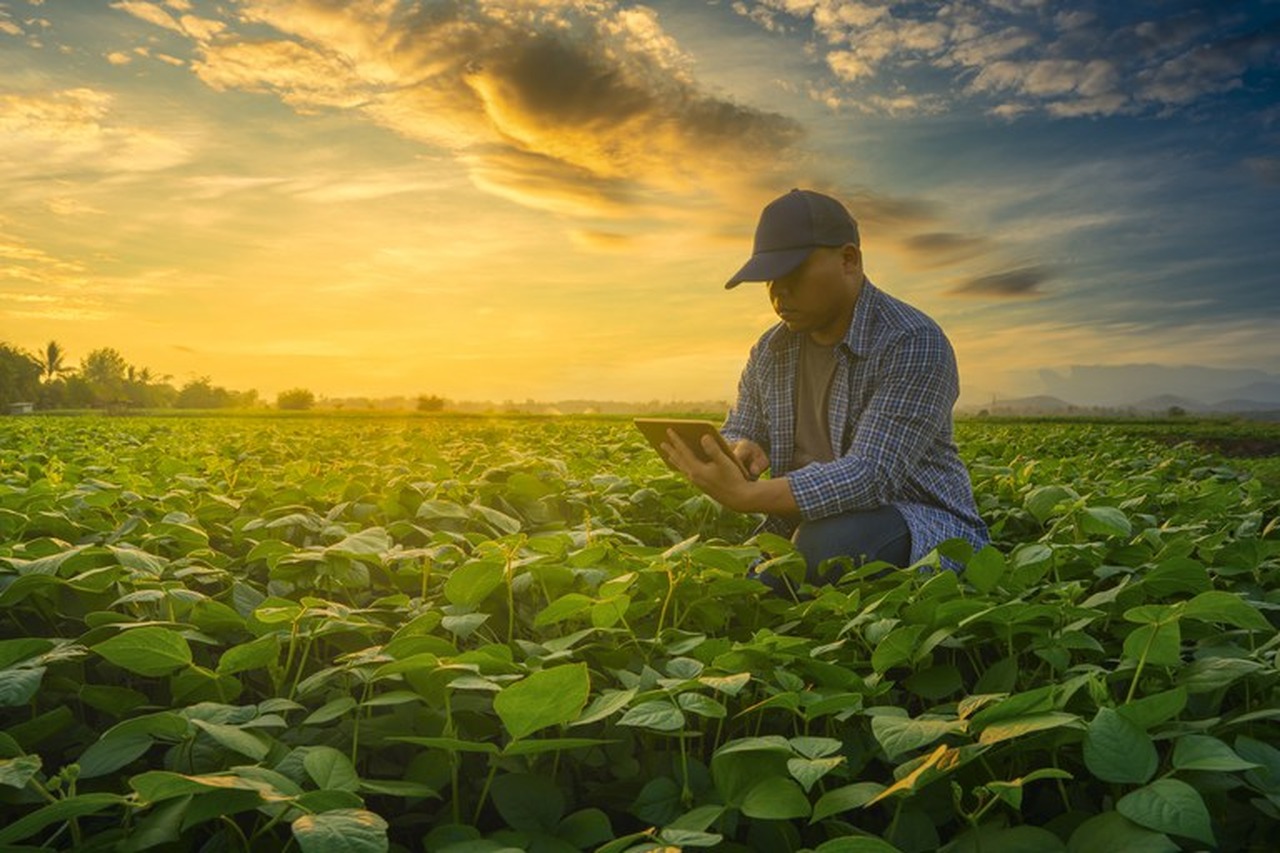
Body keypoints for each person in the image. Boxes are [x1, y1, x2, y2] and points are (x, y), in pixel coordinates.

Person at [661, 188, 988, 585]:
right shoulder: (771, 348)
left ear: (848, 259)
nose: (778, 292)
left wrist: (748, 497)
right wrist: (741, 448)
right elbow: (743, 424)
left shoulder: (913, 340)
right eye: (769, 279)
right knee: (718, 574)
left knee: (826, 546)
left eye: (793, 273)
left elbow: (872, 475)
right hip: (804, 520)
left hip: (915, 518)